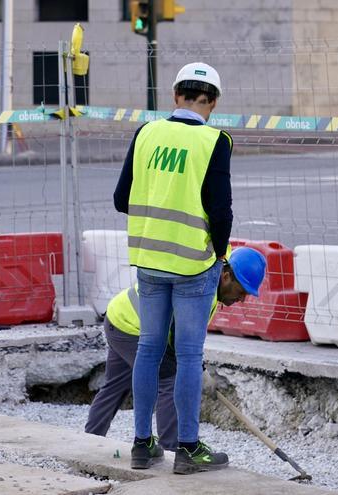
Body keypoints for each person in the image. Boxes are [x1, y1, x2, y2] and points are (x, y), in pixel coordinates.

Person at [113, 62, 234, 474]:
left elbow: (120, 198)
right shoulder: (215, 141)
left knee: (148, 349)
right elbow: (220, 211)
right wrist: (219, 254)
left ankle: (141, 445)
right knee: (187, 356)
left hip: (148, 259)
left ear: (174, 96)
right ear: (212, 103)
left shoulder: (146, 132)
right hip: (192, 266)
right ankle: (187, 449)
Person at [83, 247, 266, 452]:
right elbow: (178, 340)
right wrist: (198, 369)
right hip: (133, 328)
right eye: (241, 292)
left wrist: (199, 367)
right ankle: (172, 449)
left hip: (119, 317)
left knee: (116, 385)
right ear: (225, 276)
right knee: (171, 379)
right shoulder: (201, 290)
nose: (242, 300)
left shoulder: (211, 272)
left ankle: (90, 443)